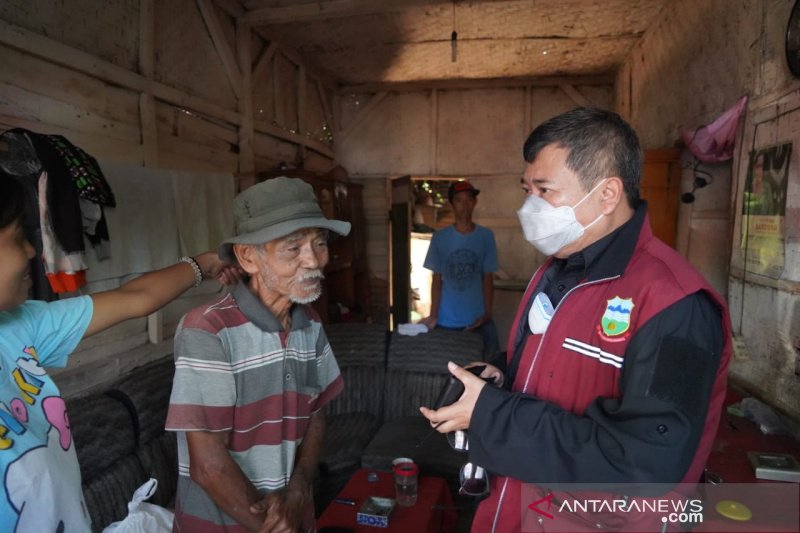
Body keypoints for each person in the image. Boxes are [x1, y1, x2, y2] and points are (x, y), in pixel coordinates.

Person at [420, 107, 732, 532]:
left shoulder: (675, 304)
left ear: (607, 194)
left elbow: (643, 468)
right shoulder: (557, 270)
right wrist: (499, 374)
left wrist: (492, 415)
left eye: (545, 190)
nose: (529, 206)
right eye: (527, 189)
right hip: (514, 509)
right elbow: (554, 361)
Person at [0, 176, 235, 532]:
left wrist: (208, 261)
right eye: (18, 237)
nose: (32, 252)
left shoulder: (20, 326)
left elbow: (136, 298)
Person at [165, 177, 347, 532]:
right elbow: (208, 466)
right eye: (293, 248)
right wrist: (275, 525)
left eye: (319, 243)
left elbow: (316, 415)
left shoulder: (309, 323)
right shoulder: (207, 330)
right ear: (248, 257)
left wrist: (299, 489)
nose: (313, 260)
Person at [419, 181, 499, 357]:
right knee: (447, 370)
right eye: (459, 200)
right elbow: (437, 279)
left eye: (469, 200)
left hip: (478, 320)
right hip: (446, 320)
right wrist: (433, 315)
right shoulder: (440, 238)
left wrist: (487, 313)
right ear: (451, 204)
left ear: (475, 202)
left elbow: (487, 278)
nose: (465, 205)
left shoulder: (486, 237)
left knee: (487, 367)